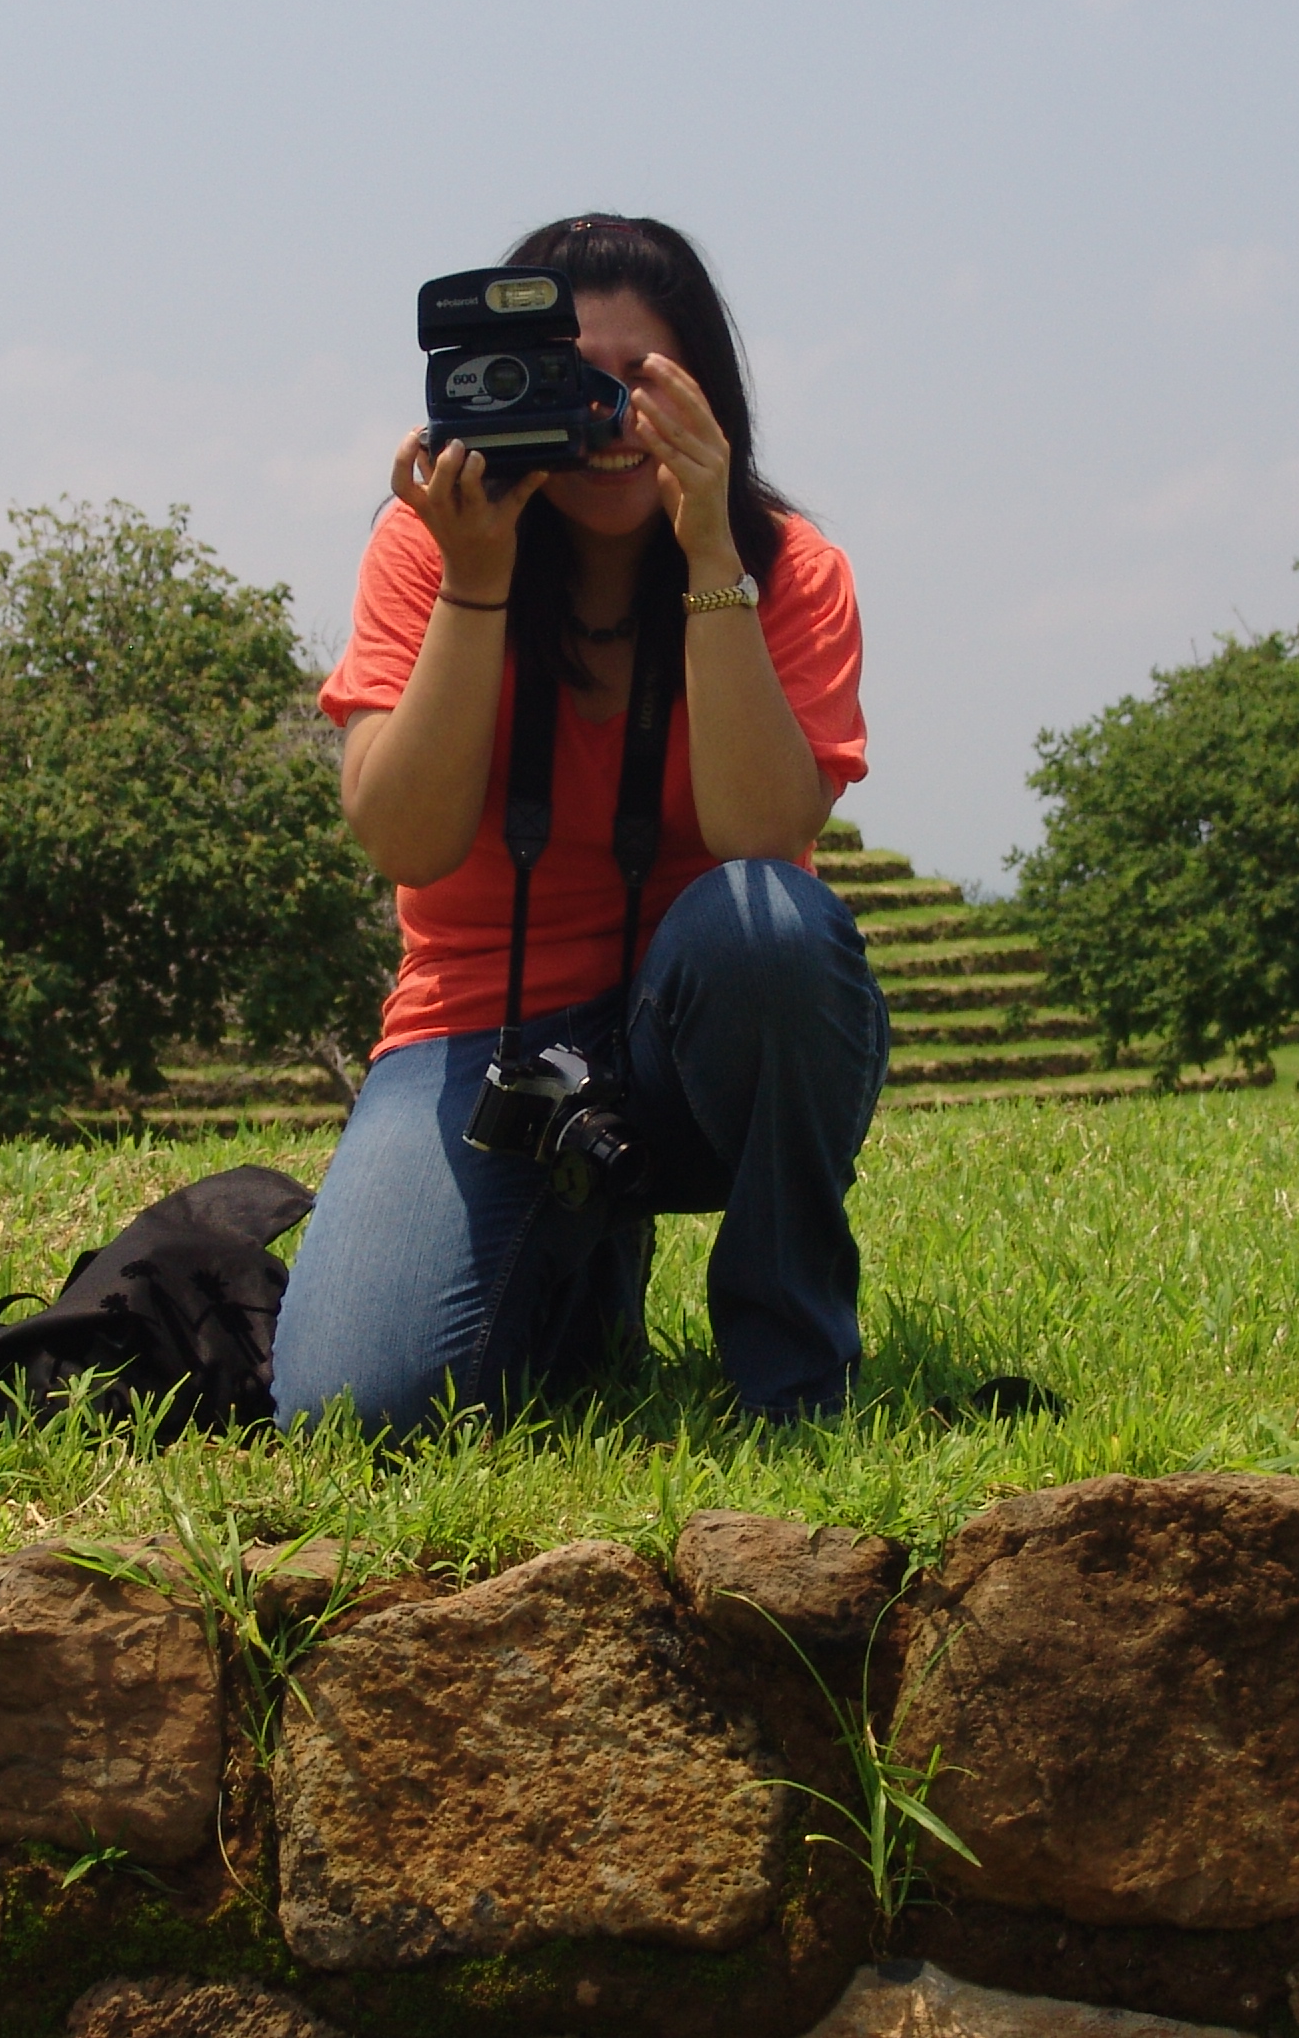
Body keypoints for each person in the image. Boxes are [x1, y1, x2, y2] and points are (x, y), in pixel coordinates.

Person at [269, 215, 886, 1434]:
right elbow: (405, 838)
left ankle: (793, 1365)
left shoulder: (788, 566)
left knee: (769, 929)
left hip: (703, 1025)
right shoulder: (425, 545)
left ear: (707, 392)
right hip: (487, 1034)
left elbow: (766, 837)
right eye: (569, 381)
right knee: (356, 1410)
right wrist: (476, 578)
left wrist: (710, 547)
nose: (605, 422)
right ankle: (574, 1253)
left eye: (639, 385)